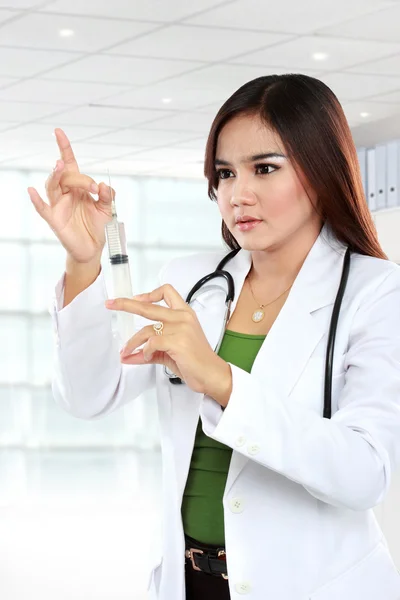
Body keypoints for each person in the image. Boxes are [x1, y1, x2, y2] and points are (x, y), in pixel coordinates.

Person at [28, 73, 400, 600]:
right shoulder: (193, 282)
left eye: (264, 169)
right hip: (193, 582)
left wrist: (222, 380)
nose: (237, 194)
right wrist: (84, 262)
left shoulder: (376, 292)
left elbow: (365, 474)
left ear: (320, 171)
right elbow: (90, 395)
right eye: (224, 173)